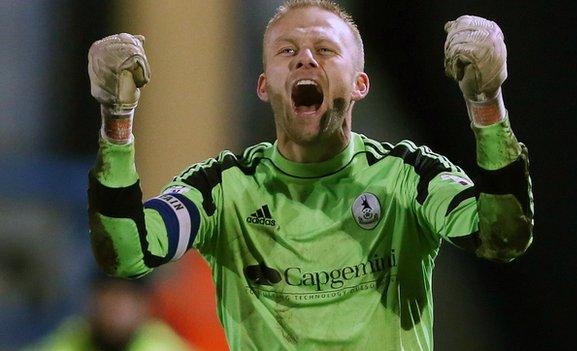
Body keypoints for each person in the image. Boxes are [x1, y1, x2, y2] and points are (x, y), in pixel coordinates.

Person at [87, 1, 533, 350]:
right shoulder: (222, 189)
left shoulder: (408, 175)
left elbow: (502, 238)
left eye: (324, 49)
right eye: (287, 51)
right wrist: (117, 121)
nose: (305, 60)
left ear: (360, 83)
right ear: (264, 86)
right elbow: (127, 252)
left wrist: (488, 107)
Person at [25, 274, 192, 351]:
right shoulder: (71, 339)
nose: (116, 309)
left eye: (126, 299)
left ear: (144, 307)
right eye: (109, 296)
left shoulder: (161, 346)